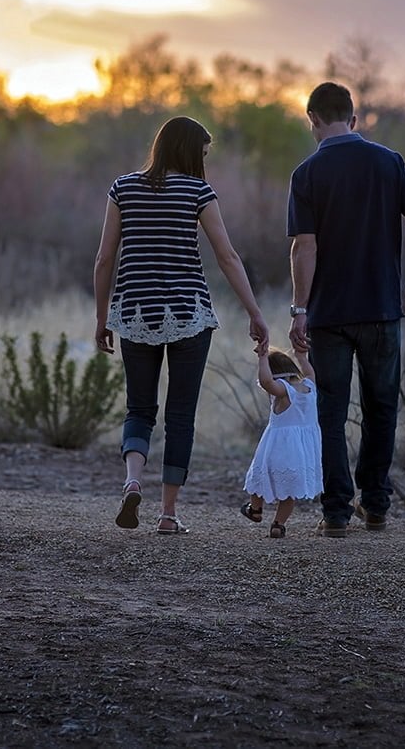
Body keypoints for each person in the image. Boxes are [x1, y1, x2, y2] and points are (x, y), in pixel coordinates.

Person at [94, 115, 269, 535]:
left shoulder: (123, 188)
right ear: (190, 151)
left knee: (139, 408)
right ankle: (168, 514)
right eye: (203, 153)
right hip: (189, 313)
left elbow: (104, 259)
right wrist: (254, 312)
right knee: (181, 414)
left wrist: (103, 318)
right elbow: (227, 257)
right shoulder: (198, 191)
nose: (204, 162)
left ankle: (133, 479)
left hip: (134, 313)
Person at [287, 81, 405, 538]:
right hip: (382, 309)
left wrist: (299, 309)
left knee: (330, 413)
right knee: (381, 408)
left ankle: (335, 513)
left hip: (330, 315)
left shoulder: (306, 174)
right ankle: (376, 506)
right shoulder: (389, 162)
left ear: (312, 120)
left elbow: (303, 248)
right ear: (354, 118)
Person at [240, 346, 322, 538]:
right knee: (289, 491)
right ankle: (278, 524)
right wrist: (301, 356)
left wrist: (262, 359)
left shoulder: (283, 391)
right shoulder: (310, 386)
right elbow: (309, 371)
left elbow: (266, 381)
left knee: (259, 477)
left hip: (278, 447)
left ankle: (256, 509)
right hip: (301, 451)